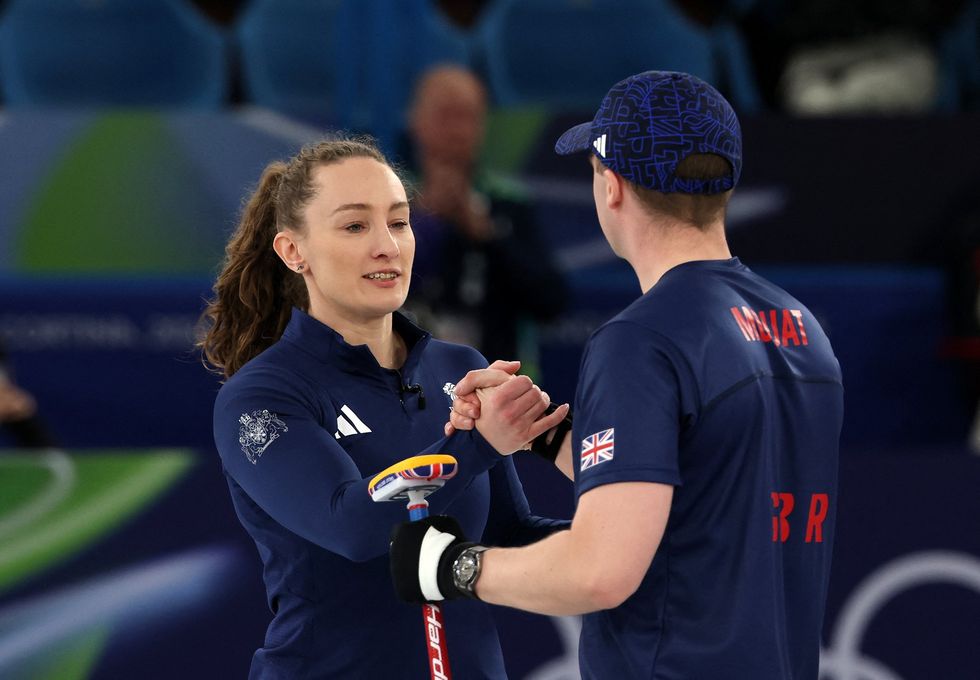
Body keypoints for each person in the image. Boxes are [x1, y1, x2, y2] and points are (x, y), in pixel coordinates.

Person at [390, 71, 844, 679]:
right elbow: (707, 501)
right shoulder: (802, 329)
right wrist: (543, 431)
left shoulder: (641, 339)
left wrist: (453, 567)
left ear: (613, 186)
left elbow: (600, 571)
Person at [197, 137, 570, 678]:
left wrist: (636, 537)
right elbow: (353, 529)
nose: (387, 246)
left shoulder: (458, 366)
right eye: (355, 226)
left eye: (399, 222)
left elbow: (507, 535)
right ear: (293, 251)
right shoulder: (261, 397)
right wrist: (479, 444)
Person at [404, 64, 567, 362]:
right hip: (406, 376)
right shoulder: (392, 203)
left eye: (467, 116)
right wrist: (420, 220)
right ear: (415, 119)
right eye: (445, 114)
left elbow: (552, 303)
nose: (456, 130)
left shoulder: (509, 203)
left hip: (498, 377)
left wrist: (489, 236)